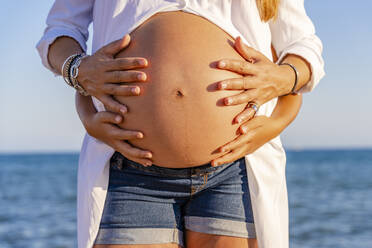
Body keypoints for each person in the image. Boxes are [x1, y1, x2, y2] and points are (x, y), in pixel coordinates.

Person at [36, 1, 325, 248]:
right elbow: (60, 31)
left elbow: (301, 47)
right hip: (129, 169)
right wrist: (78, 69)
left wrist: (282, 79)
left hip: (235, 169)